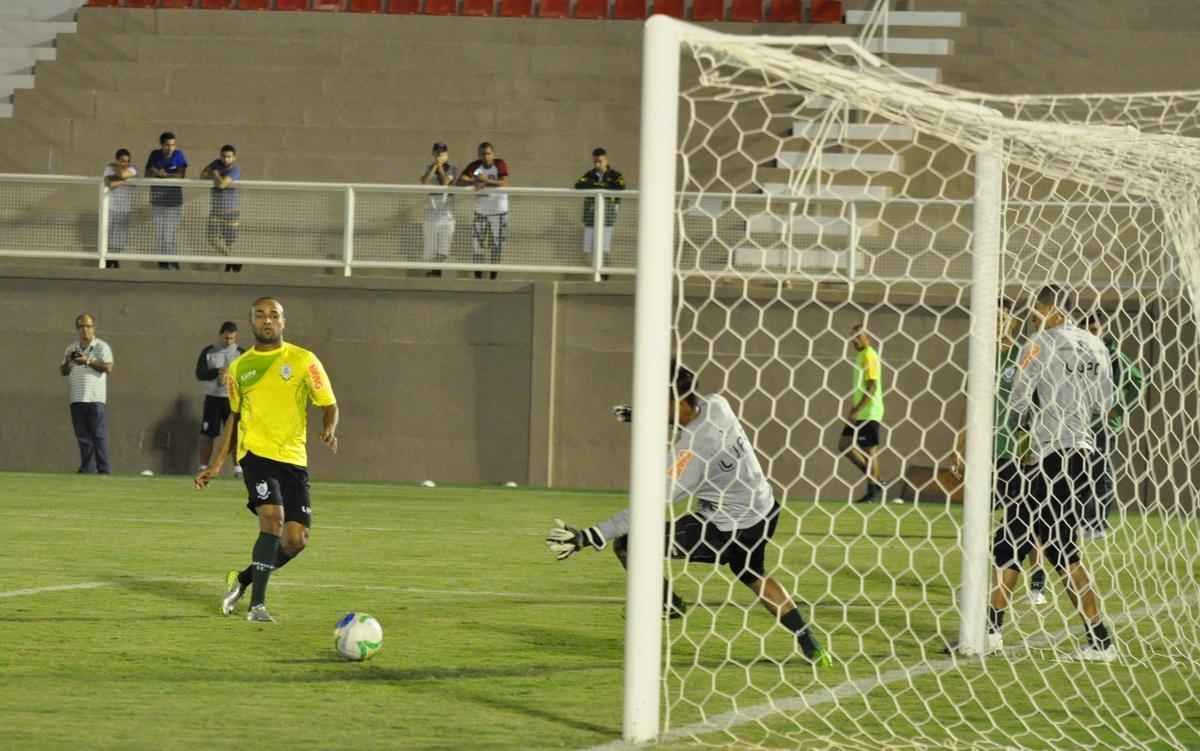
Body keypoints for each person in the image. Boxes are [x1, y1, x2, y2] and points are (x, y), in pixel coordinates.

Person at [546, 361, 833, 667]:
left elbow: (648, 507)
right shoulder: (717, 404)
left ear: (674, 401)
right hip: (763, 511)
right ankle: (810, 644)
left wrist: (587, 537)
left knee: (629, 543)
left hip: (725, 529)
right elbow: (689, 420)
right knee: (753, 573)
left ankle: (668, 604)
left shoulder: (689, 455)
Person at [988, 285, 1117, 661]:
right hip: (1081, 456)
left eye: (1038, 309)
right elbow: (1105, 406)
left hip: (1047, 456)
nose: (1033, 315)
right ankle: (991, 633)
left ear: (1053, 310)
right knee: (1039, 546)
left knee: (1033, 546)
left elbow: (1018, 404)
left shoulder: (1038, 343)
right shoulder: (1096, 346)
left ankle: (1099, 641)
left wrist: (1029, 428)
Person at [194, 297, 339, 623]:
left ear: (283, 322)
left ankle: (243, 579)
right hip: (256, 455)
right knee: (272, 519)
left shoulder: (304, 360)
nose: (267, 320)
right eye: (260, 315)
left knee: (295, 540)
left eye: (273, 315)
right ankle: (257, 606)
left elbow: (329, 403)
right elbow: (234, 418)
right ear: (252, 322)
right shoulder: (240, 367)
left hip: (293, 459)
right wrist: (215, 464)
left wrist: (329, 427)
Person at [952, 298, 1049, 605]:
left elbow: (1040, 401)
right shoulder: (981, 359)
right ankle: (980, 584)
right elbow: (971, 406)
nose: (997, 322)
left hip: (1018, 448)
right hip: (985, 451)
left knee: (1026, 519)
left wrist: (1036, 444)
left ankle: (1036, 582)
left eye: (1002, 317)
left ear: (1012, 321)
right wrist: (958, 447)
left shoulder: (1025, 354)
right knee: (978, 520)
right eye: (992, 317)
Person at [1081, 312, 1145, 540]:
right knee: (1079, 472)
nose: (1091, 332)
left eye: (1095, 329)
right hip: (1078, 424)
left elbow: (1137, 382)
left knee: (1101, 473)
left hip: (1104, 426)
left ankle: (1097, 523)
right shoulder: (1076, 354)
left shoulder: (1114, 355)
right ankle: (1080, 520)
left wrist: (1119, 408)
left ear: (1102, 330)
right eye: (1087, 328)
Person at [838, 323, 889, 503]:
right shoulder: (860, 355)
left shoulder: (869, 355)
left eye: (859, 336)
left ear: (867, 338)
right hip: (860, 412)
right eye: (853, 337)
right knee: (844, 445)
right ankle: (876, 481)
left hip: (869, 411)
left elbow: (872, 385)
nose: (855, 340)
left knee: (870, 451)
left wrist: (858, 408)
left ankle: (872, 490)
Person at [60, 313, 114, 474]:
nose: (85, 330)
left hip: (95, 398)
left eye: (88, 326)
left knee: (98, 435)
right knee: (83, 437)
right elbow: (63, 371)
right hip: (76, 397)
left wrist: (88, 361)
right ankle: (87, 468)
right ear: (77, 329)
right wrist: (69, 362)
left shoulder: (102, 347)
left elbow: (108, 368)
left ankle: (103, 469)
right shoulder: (71, 348)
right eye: (81, 326)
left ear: (93, 328)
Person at [195, 321, 244, 477]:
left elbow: (248, 376)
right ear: (220, 335)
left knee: (235, 433)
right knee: (208, 433)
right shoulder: (209, 352)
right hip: (213, 399)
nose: (228, 341)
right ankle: (203, 466)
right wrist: (217, 372)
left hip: (232, 400)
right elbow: (200, 373)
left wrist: (232, 376)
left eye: (231, 339)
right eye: (226, 338)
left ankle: (238, 468)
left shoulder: (242, 354)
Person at [458, 142, 509, 280]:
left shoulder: (499, 164)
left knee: (497, 245)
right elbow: (460, 181)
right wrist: (474, 182)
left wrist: (486, 181)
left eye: (488, 153)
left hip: (499, 212)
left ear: (493, 154)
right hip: (480, 212)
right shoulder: (475, 166)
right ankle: (478, 277)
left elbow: (504, 183)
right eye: (482, 154)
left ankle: (493, 277)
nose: (485, 156)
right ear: (478, 155)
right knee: (477, 245)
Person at [573, 147, 625, 279]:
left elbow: (619, 187)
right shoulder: (590, 174)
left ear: (606, 160)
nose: (597, 164)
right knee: (588, 248)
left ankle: (604, 274)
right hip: (591, 215)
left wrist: (597, 185)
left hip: (607, 216)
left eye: (600, 161)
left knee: (604, 247)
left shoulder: (615, 175)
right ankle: (593, 274)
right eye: (595, 162)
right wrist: (601, 185)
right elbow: (579, 185)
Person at [144, 131, 188, 270]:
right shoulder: (154, 155)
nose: (170, 148)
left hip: (174, 201)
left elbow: (181, 175)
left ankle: (172, 262)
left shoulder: (178, 155)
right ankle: (163, 263)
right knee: (160, 233)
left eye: (173, 145)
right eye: (167, 145)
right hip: (157, 200)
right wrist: (156, 172)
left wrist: (164, 174)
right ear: (161, 145)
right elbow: (147, 173)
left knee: (170, 234)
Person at [419, 141, 458, 278]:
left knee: (443, 247)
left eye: (442, 153)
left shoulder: (452, 168)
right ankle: (434, 271)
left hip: (446, 214)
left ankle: (437, 271)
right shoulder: (428, 167)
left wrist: (440, 167)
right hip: (431, 212)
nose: (439, 155)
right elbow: (424, 180)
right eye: (437, 153)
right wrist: (434, 167)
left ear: (446, 154)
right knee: (431, 246)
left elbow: (446, 182)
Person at [200, 144, 242, 273]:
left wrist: (215, 174)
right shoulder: (216, 163)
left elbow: (222, 185)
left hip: (230, 211)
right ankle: (232, 260)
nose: (226, 159)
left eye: (229, 157)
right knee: (212, 238)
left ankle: (229, 263)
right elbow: (202, 175)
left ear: (234, 157)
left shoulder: (235, 170)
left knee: (229, 241)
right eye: (223, 156)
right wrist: (215, 174)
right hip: (216, 210)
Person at [102, 148, 136, 269]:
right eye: (122, 161)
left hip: (124, 210)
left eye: (127, 161)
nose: (125, 164)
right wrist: (125, 180)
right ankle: (107, 261)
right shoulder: (109, 169)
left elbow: (121, 175)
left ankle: (114, 260)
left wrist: (119, 177)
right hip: (110, 208)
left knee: (120, 239)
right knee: (107, 237)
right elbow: (109, 184)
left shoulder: (132, 169)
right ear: (117, 160)